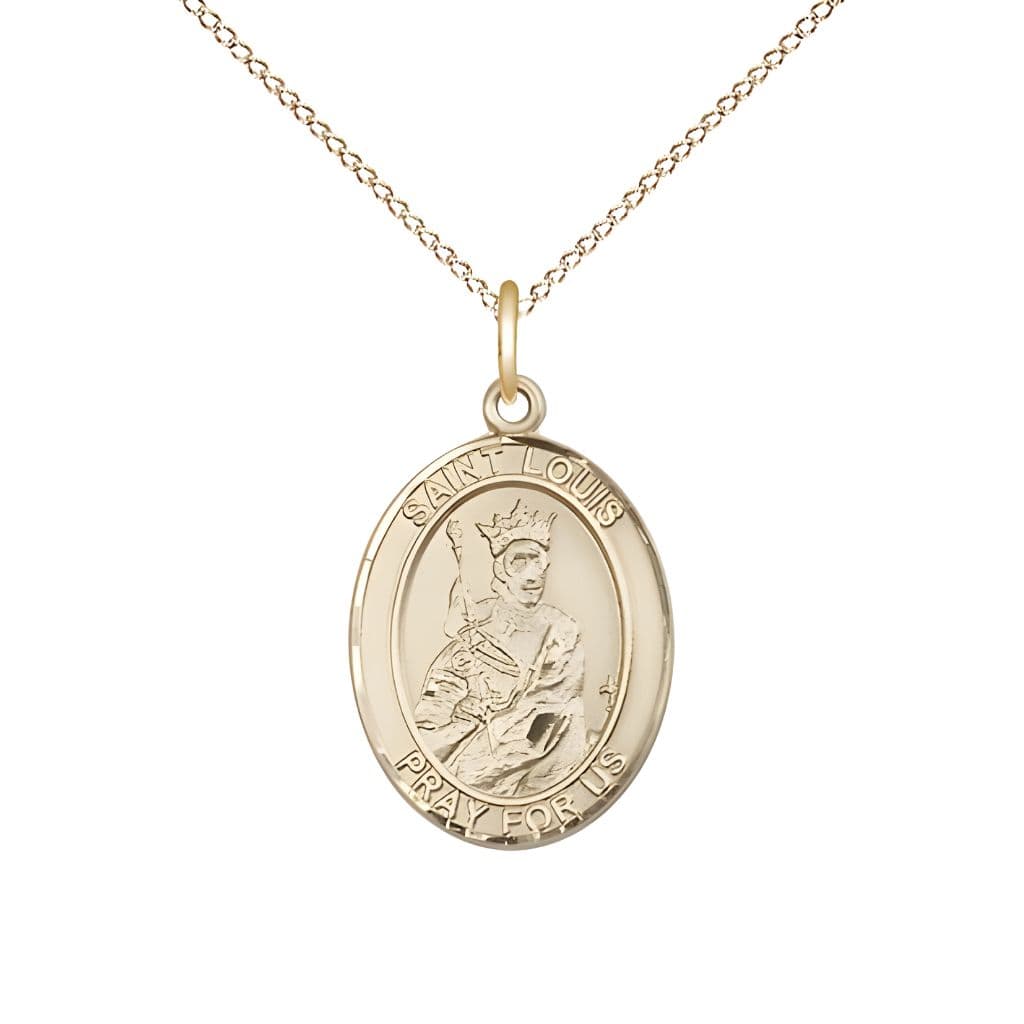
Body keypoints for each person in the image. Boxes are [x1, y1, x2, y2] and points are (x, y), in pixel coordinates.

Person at [414, 501, 588, 797]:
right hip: (467, 759)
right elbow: (432, 711)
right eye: (519, 562)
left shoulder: (562, 630)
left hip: (537, 759)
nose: (532, 575)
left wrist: (496, 725)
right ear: (500, 569)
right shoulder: (473, 627)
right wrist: (463, 719)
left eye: (538, 562)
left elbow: (554, 707)